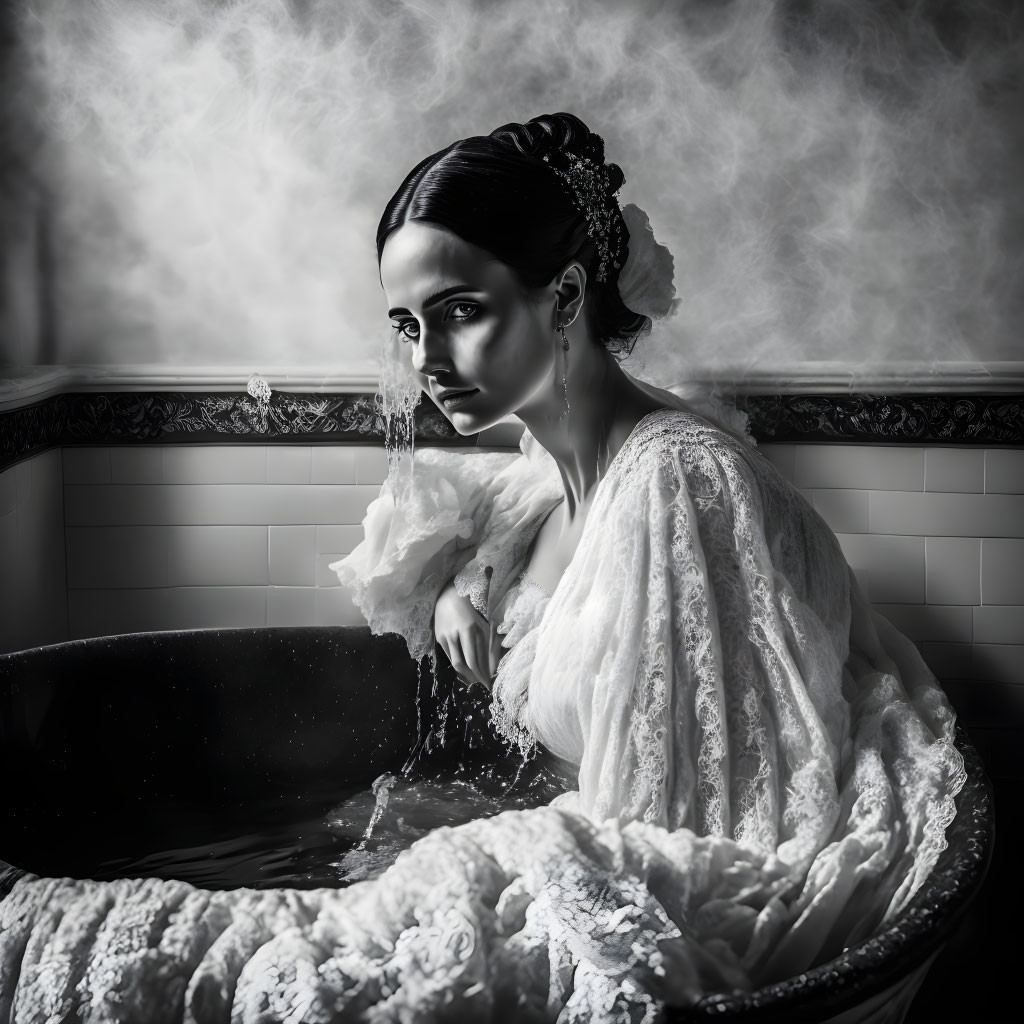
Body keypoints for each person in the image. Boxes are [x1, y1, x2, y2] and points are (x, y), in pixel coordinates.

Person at [331, 111, 967, 1010]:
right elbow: (488, 515)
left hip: (683, 881)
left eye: (461, 313)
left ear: (563, 297)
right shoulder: (554, 456)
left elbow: (694, 820)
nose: (427, 358)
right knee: (353, 838)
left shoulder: (679, 483)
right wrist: (456, 590)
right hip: (555, 808)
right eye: (407, 323)